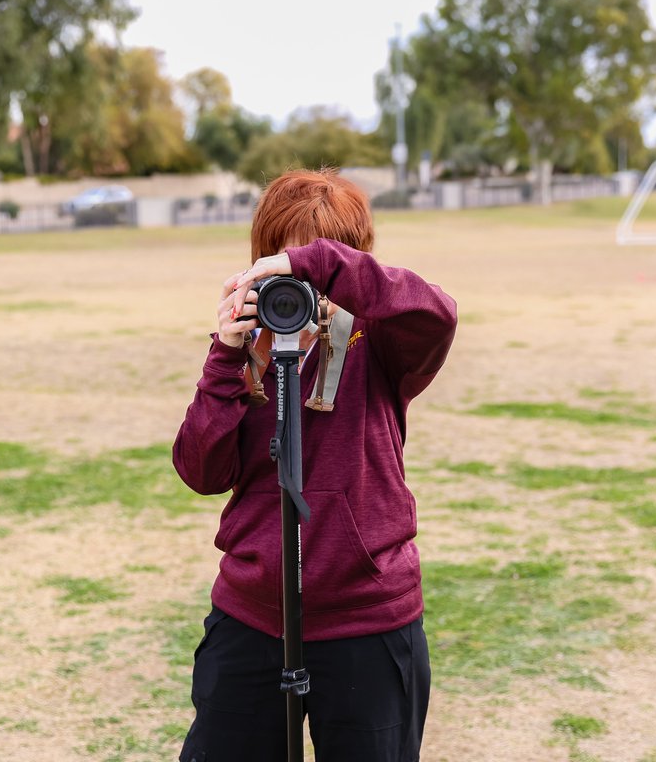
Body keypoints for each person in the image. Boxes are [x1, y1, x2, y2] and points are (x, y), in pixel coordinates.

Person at [171, 168, 458, 762]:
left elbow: (440, 314)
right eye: (286, 257)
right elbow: (200, 470)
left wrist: (326, 268)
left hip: (367, 618)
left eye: (315, 259)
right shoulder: (247, 347)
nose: (301, 280)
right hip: (253, 615)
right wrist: (224, 356)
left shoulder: (380, 340)